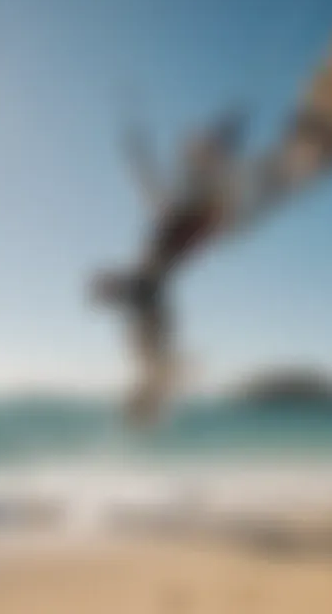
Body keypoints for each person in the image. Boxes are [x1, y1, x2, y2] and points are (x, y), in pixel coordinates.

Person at [90, 106, 248, 425]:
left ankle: (153, 396)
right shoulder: (188, 211)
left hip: (150, 286)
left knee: (149, 350)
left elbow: (160, 193)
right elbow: (156, 192)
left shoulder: (196, 210)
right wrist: (139, 156)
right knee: (150, 350)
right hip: (151, 287)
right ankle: (152, 396)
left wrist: (140, 157)